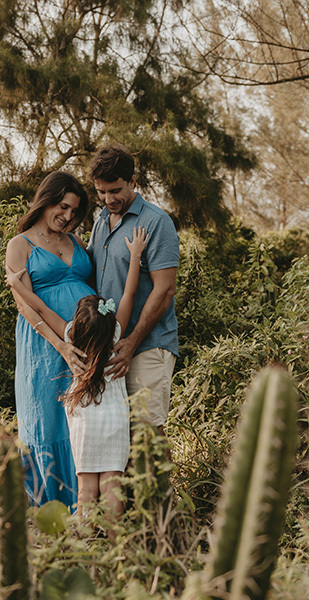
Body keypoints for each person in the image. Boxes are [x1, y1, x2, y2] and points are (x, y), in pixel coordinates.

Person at [9, 228, 148, 518]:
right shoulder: (116, 336)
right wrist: (135, 257)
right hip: (115, 422)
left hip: (85, 422)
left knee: (85, 491)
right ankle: (115, 544)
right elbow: (129, 295)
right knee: (112, 487)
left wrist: (17, 285)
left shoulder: (71, 337)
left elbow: (41, 308)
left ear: (77, 322)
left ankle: (84, 543)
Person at [4, 171, 93, 506]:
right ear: (47, 199)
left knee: (83, 417)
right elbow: (24, 305)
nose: (68, 216)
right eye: (64, 207)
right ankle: (49, 506)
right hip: (44, 344)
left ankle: (86, 506)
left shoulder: (75, 242)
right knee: (47, 417)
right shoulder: (20, 244)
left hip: (83, 343)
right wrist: (61, 346)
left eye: (74, 212)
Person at [87, 144, 179, 434]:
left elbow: (164, 289)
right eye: (101, 192)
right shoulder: (100, 221)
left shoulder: (156, 222)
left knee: (148, 436)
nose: (108, 199)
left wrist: (132, 341)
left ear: (132, 181)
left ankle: (160, 484)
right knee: (118, 440)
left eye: (115, 190)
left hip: (147, 346)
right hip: (110, 347)